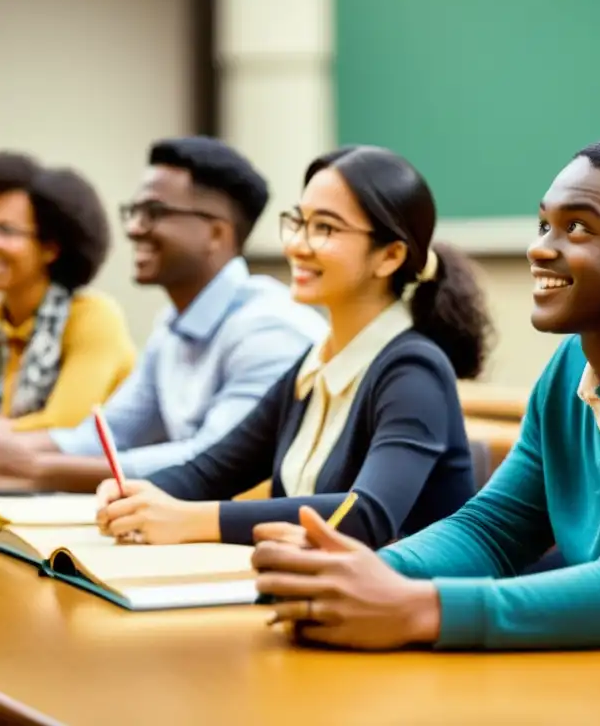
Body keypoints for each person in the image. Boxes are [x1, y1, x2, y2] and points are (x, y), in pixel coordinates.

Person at [249, 136, 600, 675]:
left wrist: (413, 608)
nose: (540, 247)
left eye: (577, 227)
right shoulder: (569, 369)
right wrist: (355, 574)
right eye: (544, 225)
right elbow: (491, 531)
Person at [93, 145, 491, 547]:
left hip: (416, 603)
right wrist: (136, 493)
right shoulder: (314, 363)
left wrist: (196, 520)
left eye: (326, 229)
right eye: (299, 222)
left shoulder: (413, 370)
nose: (298, 245)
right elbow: (211, 471)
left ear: (389, 256)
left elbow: (364, 515)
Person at [0, 136, 326, 492]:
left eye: (154, 213)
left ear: (215, 233)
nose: (134, 228)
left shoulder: (267, 328)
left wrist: (38, 468)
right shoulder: (172, 326)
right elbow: (110, 434)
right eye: (134, 212)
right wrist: (22, 456)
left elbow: (214, 461)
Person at [0, 151, 134, 430]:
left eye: (6, 230)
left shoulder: (93, 318)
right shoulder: (4, 319)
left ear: (51, 247)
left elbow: (62, 427)